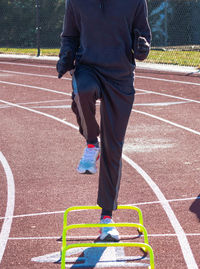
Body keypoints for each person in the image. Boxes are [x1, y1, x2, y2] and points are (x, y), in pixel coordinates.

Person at [57, 0, 151, 242]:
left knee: (114, 148)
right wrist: (66, 55)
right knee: (82, 90)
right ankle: (91, 142)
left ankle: (107, 218)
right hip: (89, 67)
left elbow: (144, 34)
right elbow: (69, 35)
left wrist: (142, 48)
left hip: (120, 77)